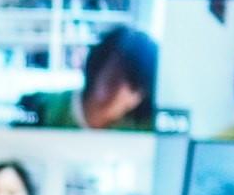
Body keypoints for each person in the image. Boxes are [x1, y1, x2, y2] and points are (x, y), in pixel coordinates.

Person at [19, 27, 158, 131]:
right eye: (114, 75)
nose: (119, 89)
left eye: (132, 85)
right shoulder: (42, 108)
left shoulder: (145, 129)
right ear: (97, 66)